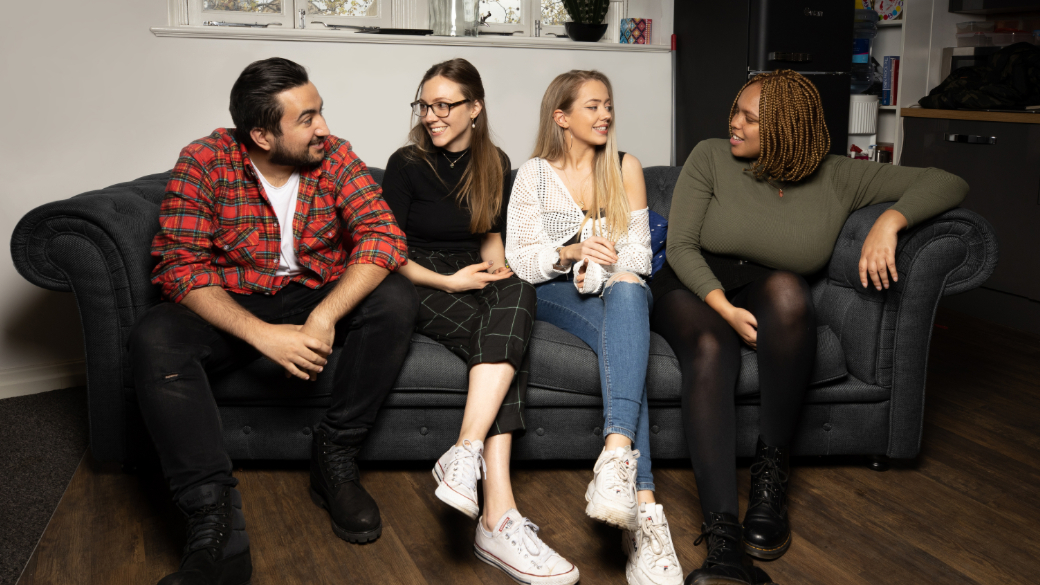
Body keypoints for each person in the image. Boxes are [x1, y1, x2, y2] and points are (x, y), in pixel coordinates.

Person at [651, 70, 969, 585]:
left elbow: (947, 180)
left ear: (785, 129)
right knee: (711, 345)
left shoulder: (838, 175)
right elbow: (683, 247)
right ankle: (724, 540)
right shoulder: (710, 156)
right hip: (694, 283)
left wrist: (891, 222)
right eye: (735, 111)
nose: (733, 124)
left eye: (749, 119)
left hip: (765, 285)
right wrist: (725, 311)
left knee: (791, 294)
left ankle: (771, 475)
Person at [130, 57, 419, 585]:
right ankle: (215, 523)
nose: (324, 129)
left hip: (314, 293)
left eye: (321, 112)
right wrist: (263, 336)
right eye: (307, 118)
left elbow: (383, 236)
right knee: (155, 335)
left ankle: (334, 456)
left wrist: (324, 318)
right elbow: (179, 264)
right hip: (237, 301)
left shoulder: (334, 156)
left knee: (396, 296)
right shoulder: (204, 161)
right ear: (261, 134)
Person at [380, 58, 578, 585]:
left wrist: (496, 267)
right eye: (425, 104)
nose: (432, 115)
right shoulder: (405, 164)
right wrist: (448, 282)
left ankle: (465, 452)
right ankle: (499, 517)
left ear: (475, 107)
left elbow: (491, 236)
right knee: (510, 349)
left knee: (517, 292)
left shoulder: (496, 160)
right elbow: (387, 253)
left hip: (472, 270)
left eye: (445, 104)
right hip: (418, 277)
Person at [507, 70, 683, 585]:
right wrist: (571, 254)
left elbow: (639, 255)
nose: (606, 115)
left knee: (630, 285)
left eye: (609, 106)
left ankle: (617, 464)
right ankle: (647, 505)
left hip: (611, 287)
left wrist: (600, 269)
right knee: (627, 344)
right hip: (552, 292)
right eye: (592, 107)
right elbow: (520, 259)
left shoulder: (624, 166)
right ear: (561, 117)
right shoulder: (534, 174)